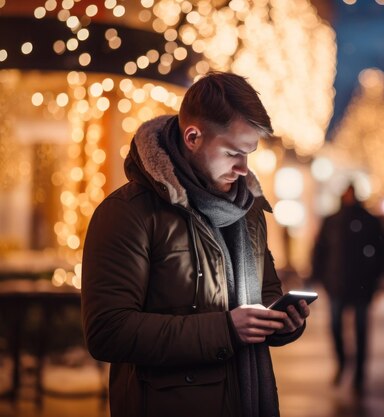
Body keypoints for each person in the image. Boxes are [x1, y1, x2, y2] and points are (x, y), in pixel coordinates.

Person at [81, 72, 310, 417]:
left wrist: (282, 320)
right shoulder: (128, 213)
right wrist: (226, 329)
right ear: (193, 137)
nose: (243, 169)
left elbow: (265, 294)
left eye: (249, 154)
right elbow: (108, 331)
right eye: (233, 152)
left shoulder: (247, 209)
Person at [311, 184, 384, 394]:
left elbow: (382, 251)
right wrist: (319, 277)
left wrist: (377, 277)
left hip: (361, 284)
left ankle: (359, 372)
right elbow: (320, 250)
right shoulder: (333, 221)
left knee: (361, 329)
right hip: (338, 284)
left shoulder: (368, 221)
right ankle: (343, 363)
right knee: (336, 326)